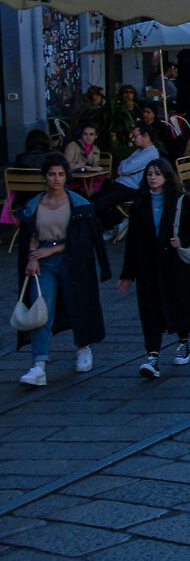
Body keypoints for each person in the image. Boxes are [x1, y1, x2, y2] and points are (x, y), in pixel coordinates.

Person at [14, 155, 107, 387]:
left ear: (66, 177)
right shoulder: (35, 204)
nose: (56, 179)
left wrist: (52, 250)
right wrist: (32, 258)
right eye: (52, 174)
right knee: (41, 308)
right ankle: (39, 364)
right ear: (45, 177)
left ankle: (83, 348)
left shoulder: (78, 204)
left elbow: (82, 239)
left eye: (60, 174)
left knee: (77, 304)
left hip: (70, 259)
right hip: (43, 262)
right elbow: (31, 234)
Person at [118, 159, 190, 376]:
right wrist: (127, 274)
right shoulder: (140, 203)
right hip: (148, 264)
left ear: (167, 176)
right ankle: (152, 355)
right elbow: (132, 241)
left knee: (180, 303)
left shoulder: (181, 200)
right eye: (149, 173)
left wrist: (183, 241)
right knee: (149, 308)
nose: (153, 178)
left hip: (175, 264)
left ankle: (183, 342)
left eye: (157, 173)